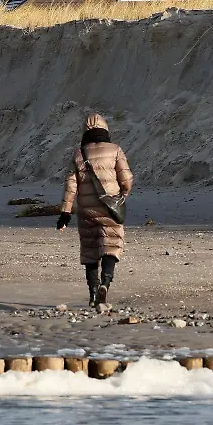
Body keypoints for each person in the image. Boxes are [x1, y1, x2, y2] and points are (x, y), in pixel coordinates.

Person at [57, 113, 133, 308]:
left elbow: (71, 185)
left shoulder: (79, 154)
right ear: (105, 129)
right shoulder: (115, 149)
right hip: (110, 207)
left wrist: (65, 213)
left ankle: (92, 293)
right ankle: (106, 283)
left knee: (90, 251)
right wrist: (123, 193)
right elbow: (126, 178)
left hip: (86, 210)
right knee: (111, 244)